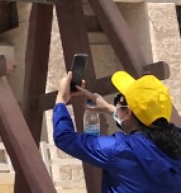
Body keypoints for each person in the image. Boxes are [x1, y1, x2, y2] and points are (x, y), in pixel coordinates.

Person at [53, 69, 181, 191]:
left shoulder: (118, 149)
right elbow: (145, 122)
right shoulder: (177, 140)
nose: (117, 104)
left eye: (119, 100)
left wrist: (61, 100)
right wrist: (109, 109)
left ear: (128, 112)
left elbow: (64, 138)